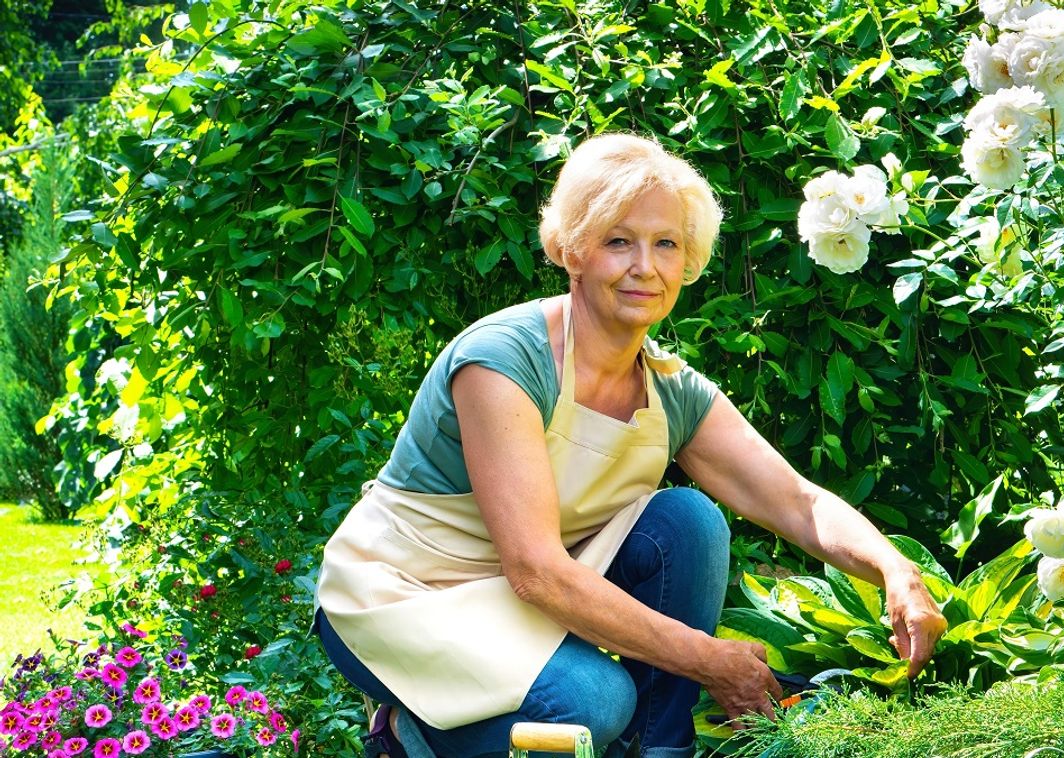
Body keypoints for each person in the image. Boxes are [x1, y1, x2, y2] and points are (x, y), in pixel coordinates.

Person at [314, 133, 948, 758]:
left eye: (666, 244)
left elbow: (798, 503)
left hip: (518, 597)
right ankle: (410, 736)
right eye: (619, 241)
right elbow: (535, 570)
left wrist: (895, 569)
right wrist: (709, 661)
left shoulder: (673, 389)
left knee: (688, 522)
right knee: (593, 702)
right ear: (573, 249)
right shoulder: (502, 362)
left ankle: (660, 750)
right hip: (404, 598)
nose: (645, 265)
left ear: (687, 260)